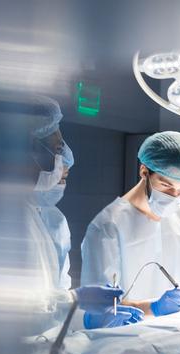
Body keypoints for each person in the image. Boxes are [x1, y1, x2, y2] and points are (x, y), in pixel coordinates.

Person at [28, 96, 142, 329]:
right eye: (57, 149)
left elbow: (53, 308)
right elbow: (20, 310)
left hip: (40, 348)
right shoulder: (2, 216)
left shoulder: (50, 218)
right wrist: (76, 300)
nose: (65, 160)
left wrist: (86, 319)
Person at [80, 131, 180, 318]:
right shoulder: (108, 226)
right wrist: (154, 308)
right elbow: (98, 309)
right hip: (129, 339)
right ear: (144, 172)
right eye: (166, 186)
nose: (175, 196)